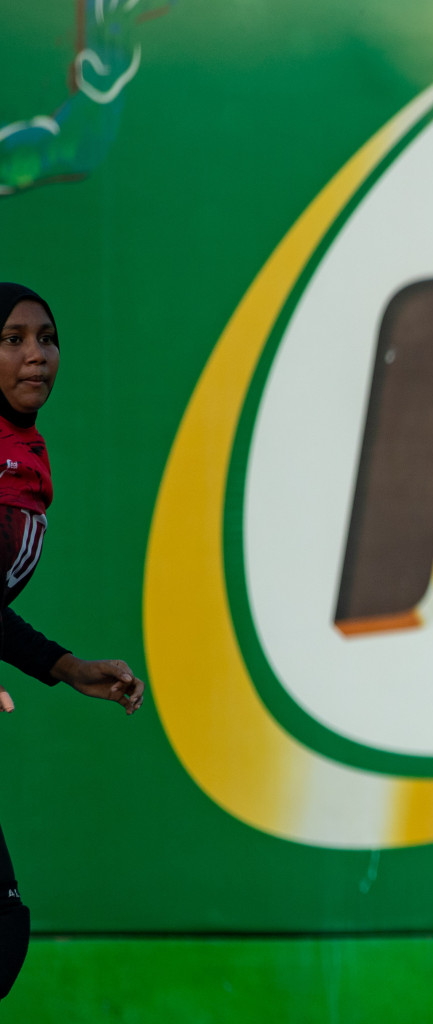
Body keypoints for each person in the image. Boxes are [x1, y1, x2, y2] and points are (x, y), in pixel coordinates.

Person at [0, 284, 147, 1003]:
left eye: (46, 337)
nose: (36, 355)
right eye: (13, 339)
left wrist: (65, 667)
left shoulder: (23, 450)